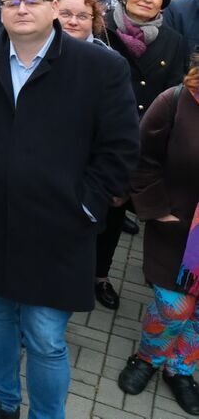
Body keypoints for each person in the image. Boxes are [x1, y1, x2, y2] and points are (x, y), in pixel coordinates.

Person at [0, 0, 139, 419]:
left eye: (32, 1)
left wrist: (86, 202)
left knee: (45, 337)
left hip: (59, 226)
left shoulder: (100, 67)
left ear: (53, 8)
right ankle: (5, 403)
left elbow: (121, 148)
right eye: (11, 3)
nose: (21, 9)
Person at [94, 0, 189, 311]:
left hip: (138, 140)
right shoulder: (101, 26)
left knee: (116, 210)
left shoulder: (173, 40)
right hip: (95, 134)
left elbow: (173, 91)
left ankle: (99, 275)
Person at [118, 63, 199, 414]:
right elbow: (141, 159)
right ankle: (148, 358)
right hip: (178, 229)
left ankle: (181, 369)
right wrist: (157, 209)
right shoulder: (176, 101)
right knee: (174, 308)